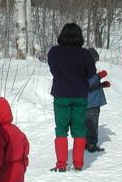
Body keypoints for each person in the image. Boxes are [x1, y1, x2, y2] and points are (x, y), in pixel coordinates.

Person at [47, 23, 95, 172]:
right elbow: (91, 73)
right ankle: (78, 164)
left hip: (61, 94)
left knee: (61, 129)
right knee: (79, 129)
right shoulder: (85, 54)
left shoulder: (54, 52)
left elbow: (53, 69)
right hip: (80, 95)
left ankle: (61, 164)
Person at [85, 47, 110, 153]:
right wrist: (99, 76)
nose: (95, 63)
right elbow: (88, 83)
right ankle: (91, 144)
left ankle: (86, 142)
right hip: (92, 103)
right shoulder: (86, 68)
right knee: (92, 123)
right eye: (94, 60)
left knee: (88, 123)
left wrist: (101, 85)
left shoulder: (85, 67)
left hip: (89, 101)